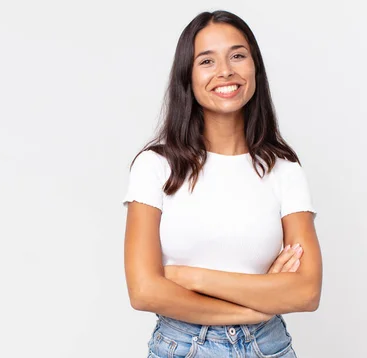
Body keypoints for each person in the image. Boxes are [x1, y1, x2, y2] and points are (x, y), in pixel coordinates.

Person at [121, 10, 322, 358]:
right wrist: (258, 304)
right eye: (207, 61)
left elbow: (306, 292)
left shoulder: (284, 169)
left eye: (238, 55)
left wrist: (188, 277)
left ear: (254, 67)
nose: (225, 71)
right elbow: (144, 291)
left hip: (268, 347)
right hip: (183, 347)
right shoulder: (155, 166)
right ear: (188, 76)